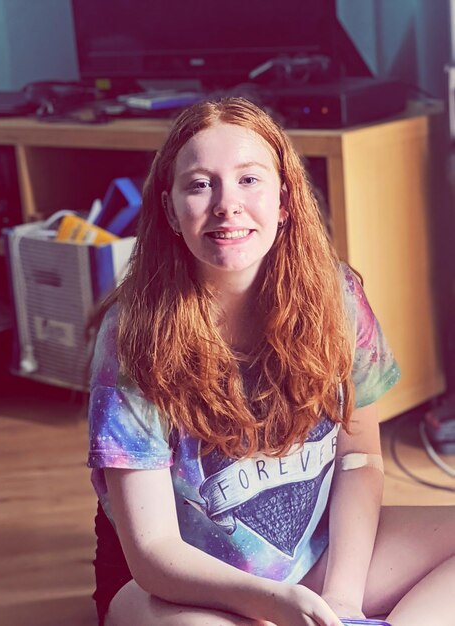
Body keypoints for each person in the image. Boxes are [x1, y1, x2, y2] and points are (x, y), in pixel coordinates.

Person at [87, 97, 455, 626]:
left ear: (285, 200)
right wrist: (273, 604)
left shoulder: (339, 298)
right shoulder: (131, 337)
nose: (226, 205)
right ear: (169, 209)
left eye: (249, 180)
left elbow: (358, 460)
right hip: (180, 585)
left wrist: (343, 602)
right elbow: (154, 551)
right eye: (199, 184)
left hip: (310, 559)